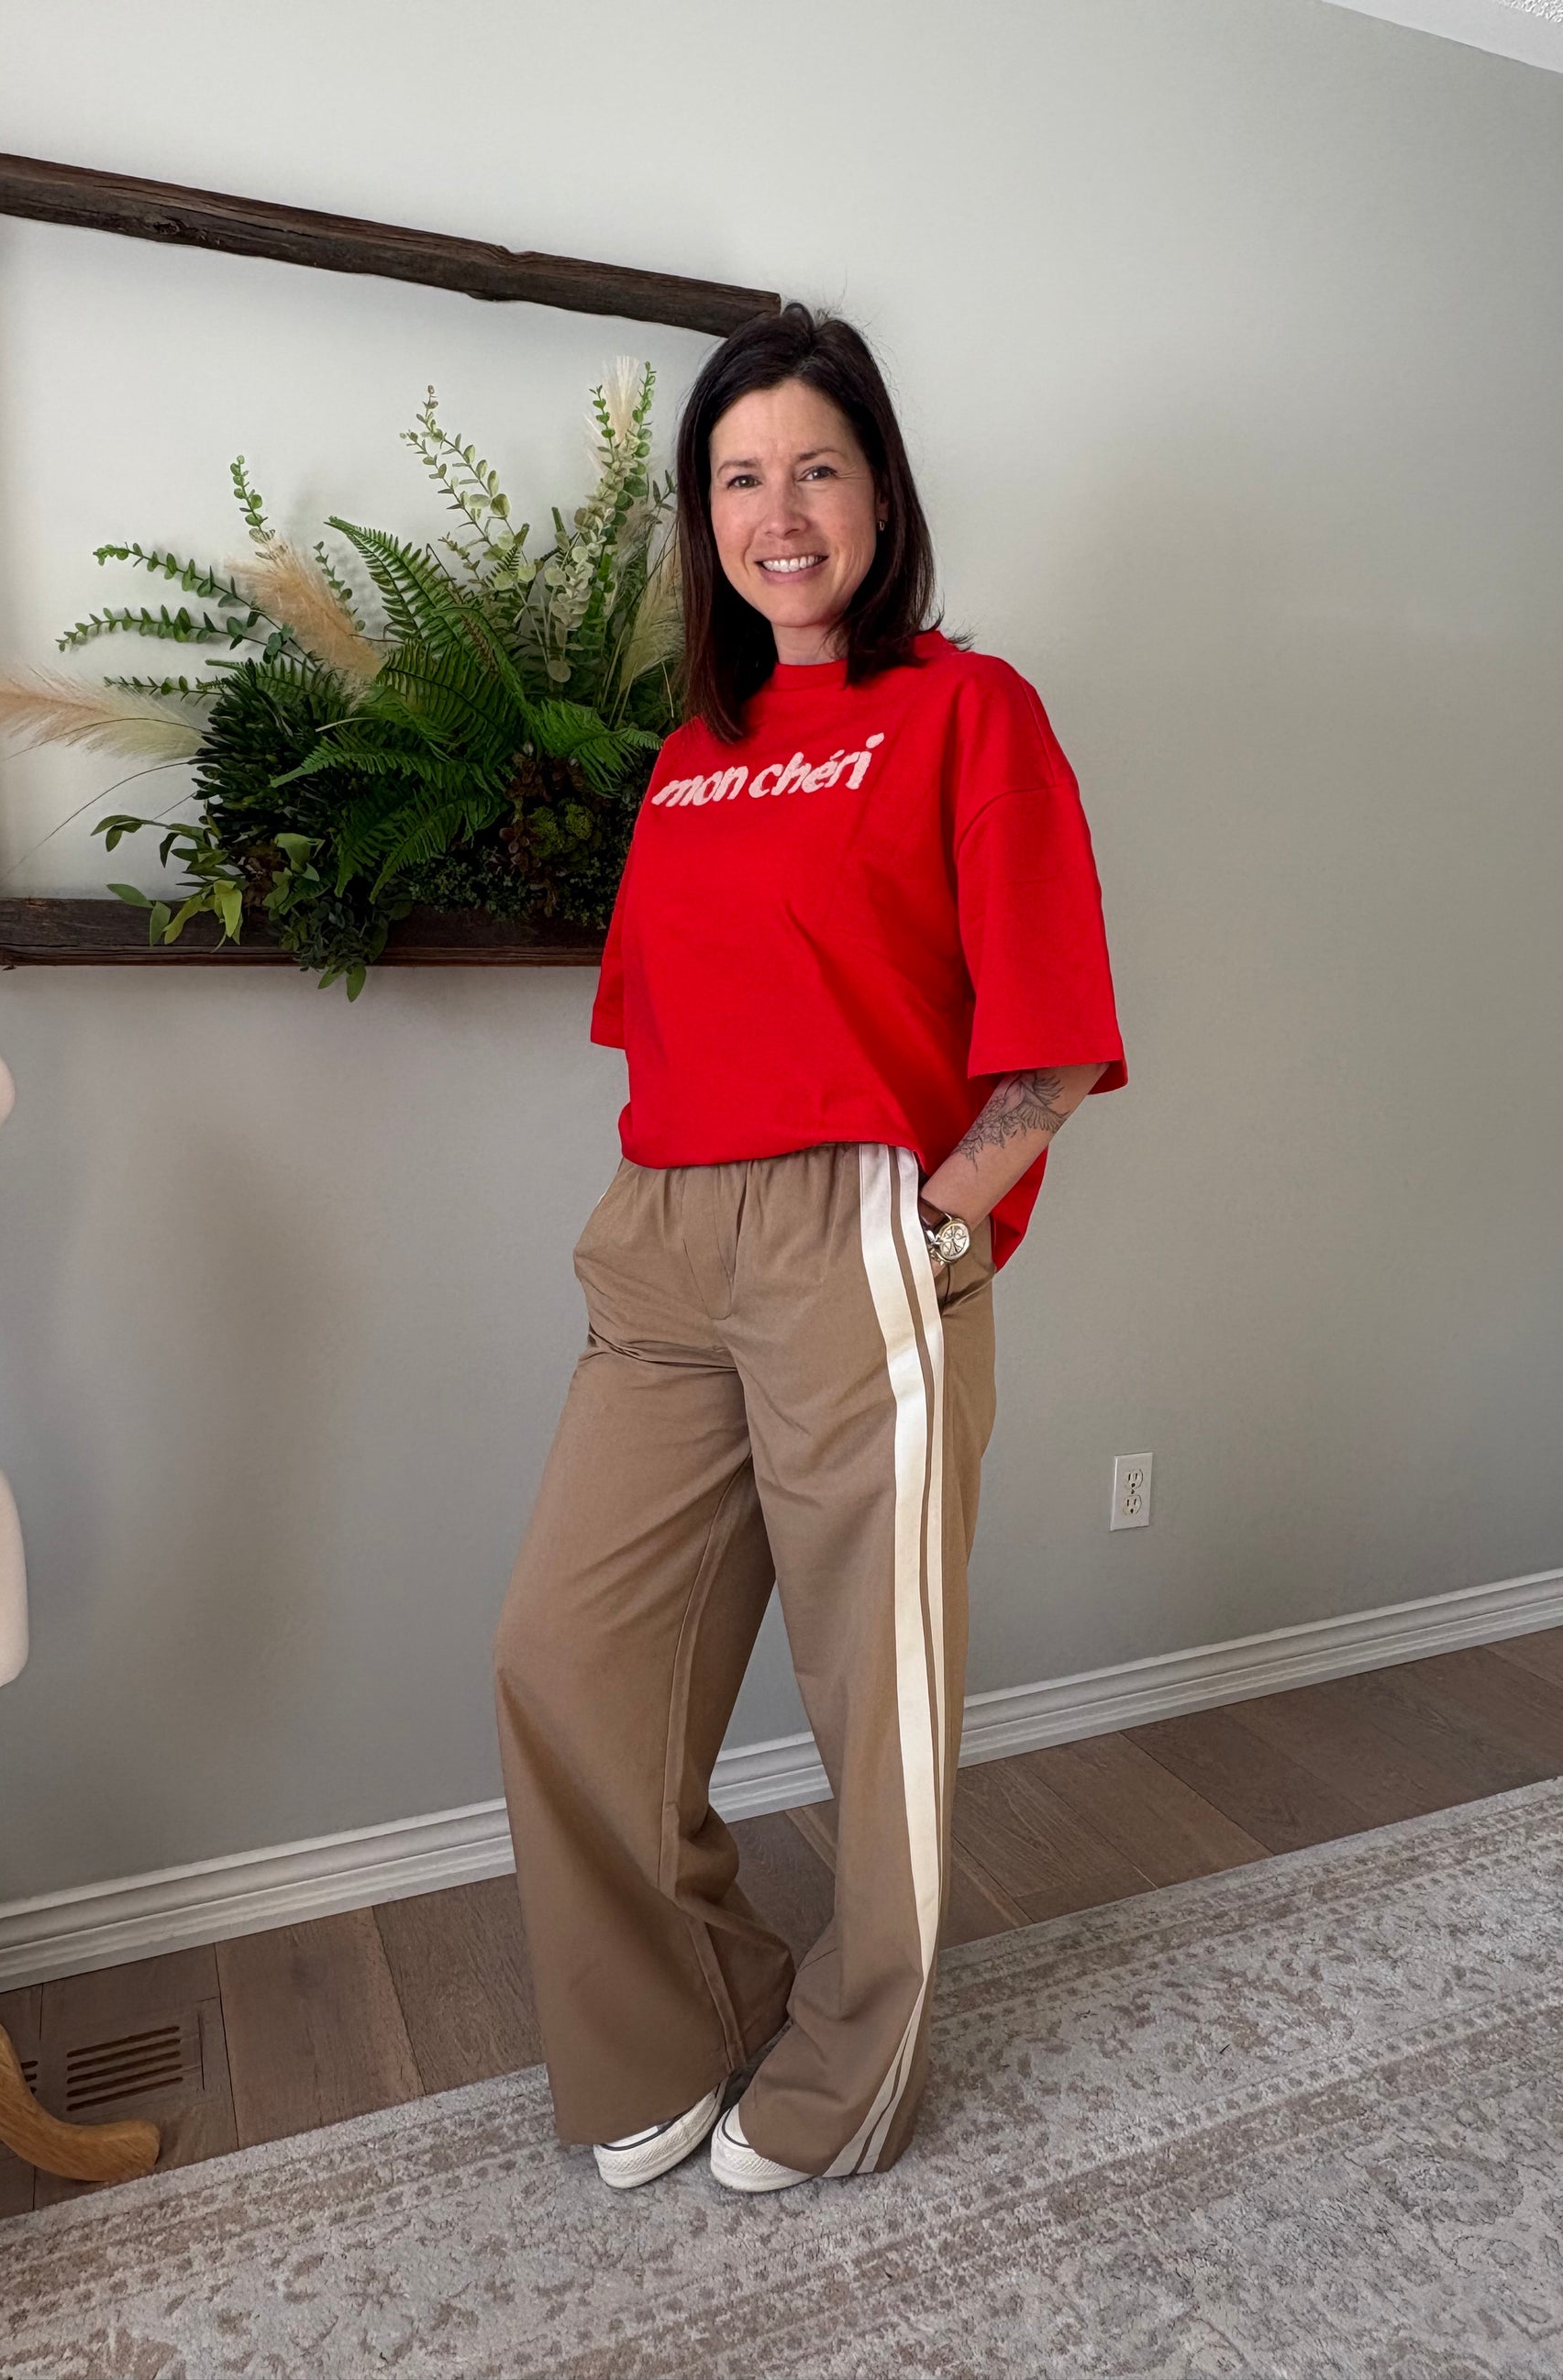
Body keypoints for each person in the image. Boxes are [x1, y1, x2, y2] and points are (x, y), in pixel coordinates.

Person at [492, 302, 1127, 2197]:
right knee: (558, 1649)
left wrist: (937, 1209)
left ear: (878, 493)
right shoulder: (694, 752)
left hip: (852, 1222)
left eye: (816, 468)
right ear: (705, 518)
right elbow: (671, 1021)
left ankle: (855, 2064)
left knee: (873, 1682)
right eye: (739, 476)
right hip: (667, 1228)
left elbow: (1055, 1040)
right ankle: (674, 2009)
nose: (780, 511)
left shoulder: (967, 708)